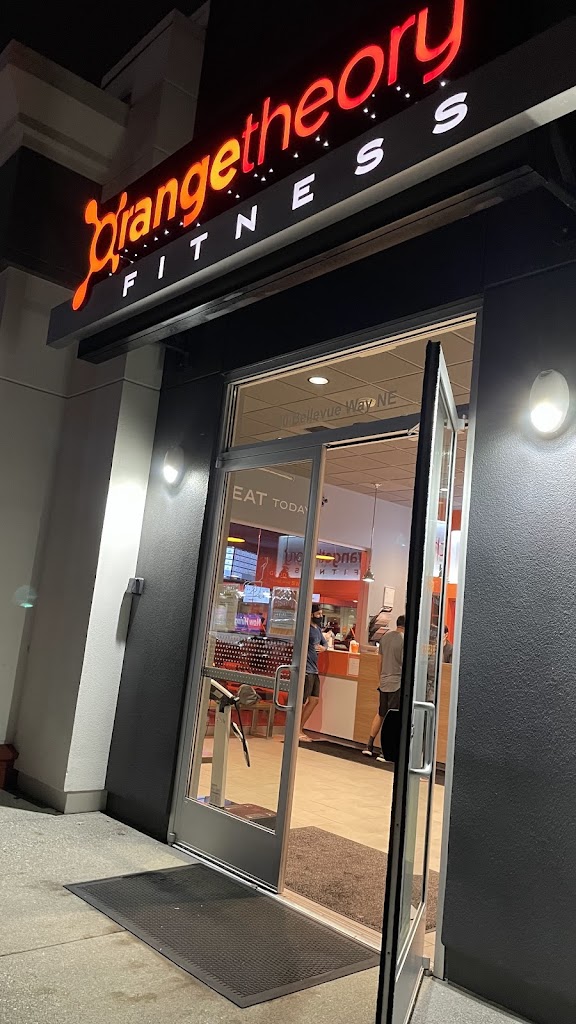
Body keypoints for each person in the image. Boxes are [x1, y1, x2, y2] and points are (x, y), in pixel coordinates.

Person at [362, 614, 405, 759]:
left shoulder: (385, 638)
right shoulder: (404, 640)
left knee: (381, 713)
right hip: (397, 683)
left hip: (384, 682)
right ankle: (384, 751)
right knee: (392, 717)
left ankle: (369, 745)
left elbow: (379, 660)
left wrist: (380, 679)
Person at [300, 603, 327, 741]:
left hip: (314, 669)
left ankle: (300, 727)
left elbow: (325, 643)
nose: (320, 616)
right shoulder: (306, 629)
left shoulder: (318, 629)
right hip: (306, 669)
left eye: (321, 614)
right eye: (318, 614)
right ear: (311, 615)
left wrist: (324, 648)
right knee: (302, 701)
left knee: (314, 700)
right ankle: (297, 730)